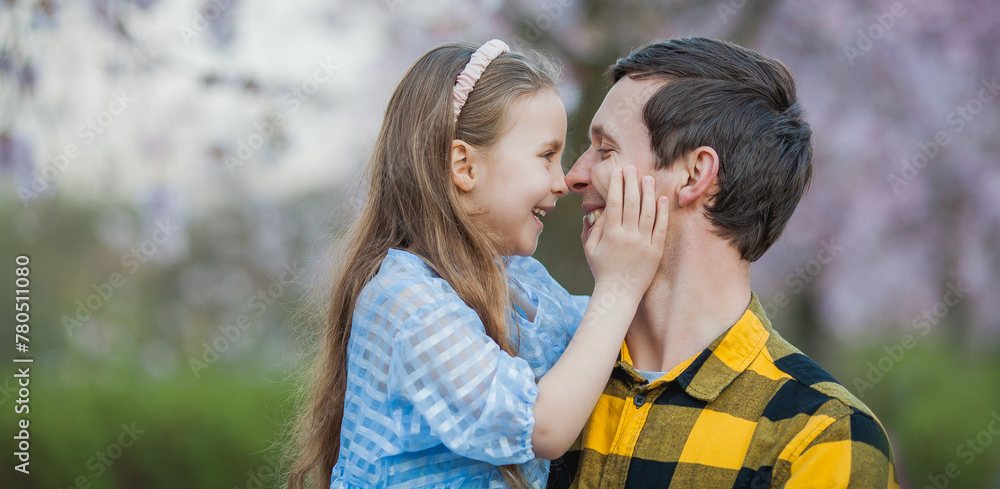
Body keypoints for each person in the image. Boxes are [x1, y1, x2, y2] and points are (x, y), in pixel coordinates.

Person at [284, 40, 669, 489]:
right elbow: (541, 427)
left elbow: (599, 337)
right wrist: (620, 285)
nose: (562, 181)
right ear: (464, 165)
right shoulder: (406, 301)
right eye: (546, 155)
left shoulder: (517, 281)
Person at [547, 37, 899, 489]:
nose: (572, 176)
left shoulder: (821, 435)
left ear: (694, 174)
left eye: (605, 149)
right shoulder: (541, 382)